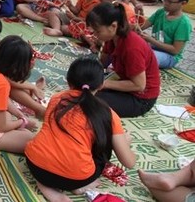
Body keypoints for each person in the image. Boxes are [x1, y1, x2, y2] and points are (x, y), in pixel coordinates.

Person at [25, 57, 136, 202]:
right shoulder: (108, 113)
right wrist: (124, 141)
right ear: (101, 85)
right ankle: (79, 186)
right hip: (76, 177)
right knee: (103, 148)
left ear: (68, 80)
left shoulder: (57, 98)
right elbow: (129, 162)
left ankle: (46, 186)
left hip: (34, 164)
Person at [86, 2, 160, 117]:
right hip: (126, 87)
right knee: (85, 91)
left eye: (98, 31)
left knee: (90, 102)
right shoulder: (112, 38)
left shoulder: (132, 47)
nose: (95, 35)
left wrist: (104, 84)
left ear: (113, 26)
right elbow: (102, 62)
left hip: (141, 98)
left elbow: (139, 86)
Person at [139, 0, 193, 69]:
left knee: (145, 57)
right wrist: (139, 13)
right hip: (152, 48)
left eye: (170, 1)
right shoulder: (160, 12)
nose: (165, 3)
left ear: (183, 3)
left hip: (170, 57)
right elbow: (141, 27)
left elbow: (175, 50)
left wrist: (151, 40)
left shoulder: (183, 23)